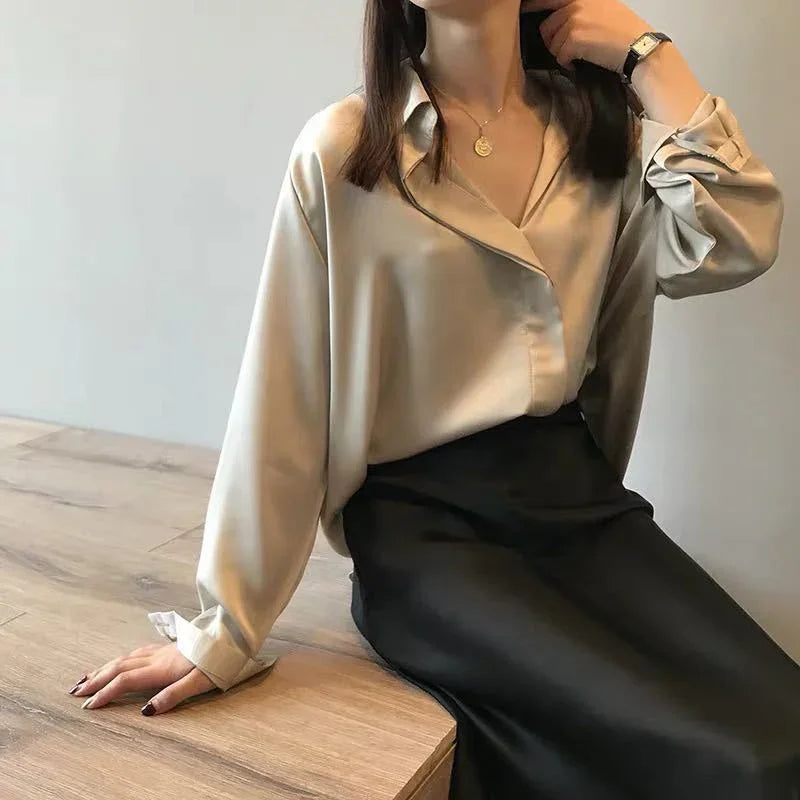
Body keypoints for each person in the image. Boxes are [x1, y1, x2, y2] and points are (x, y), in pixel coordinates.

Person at [69, 0, 797, 796]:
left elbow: (734, 238)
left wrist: (648, 57)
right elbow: (286, 395)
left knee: (782, 733)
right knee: (720, 763)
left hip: (578, 507)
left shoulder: (600, 138)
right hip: (426, 539)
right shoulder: (348, 151)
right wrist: (225, 631)